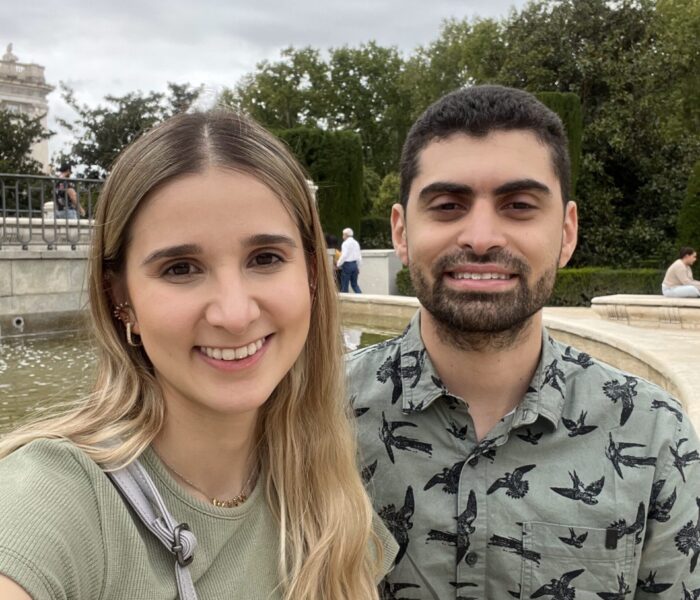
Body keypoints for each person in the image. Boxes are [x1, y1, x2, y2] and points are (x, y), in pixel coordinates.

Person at [0, 109, 397, 600]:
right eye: (181, 268)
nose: (234, 314)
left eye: (265, 258)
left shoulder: (328, 491)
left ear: (312, 275)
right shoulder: (55, 495)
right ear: (120, 297)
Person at [347, 85, 700, 599]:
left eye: (518, 205)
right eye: (447, 205)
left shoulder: (654, 434)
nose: (481, 236)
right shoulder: (316, 414)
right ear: (401, 232)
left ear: (567, 232)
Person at [337, 227, 362, 293]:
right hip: (355, 265)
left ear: (346, 235)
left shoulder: (345, 243)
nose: (342, 236)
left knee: (344, 286)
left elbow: (344, 256)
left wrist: (338, 264)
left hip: (347, 265)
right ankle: (362, 297)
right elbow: (359, 256)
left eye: (343, 234)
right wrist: (358, 267)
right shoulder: (356, 243)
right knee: (355, 285)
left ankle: (344, 299)